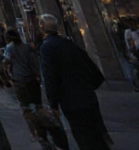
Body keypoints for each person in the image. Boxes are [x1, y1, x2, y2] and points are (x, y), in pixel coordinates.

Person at [39, 14, 109, 150]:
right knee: (97, 135)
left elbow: (50, 77)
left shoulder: (47, 47)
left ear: (42, 28)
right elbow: (90, 66)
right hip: (88, 96)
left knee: (84, 137)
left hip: (71, 100)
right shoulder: (68, 43)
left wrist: (53, 104)